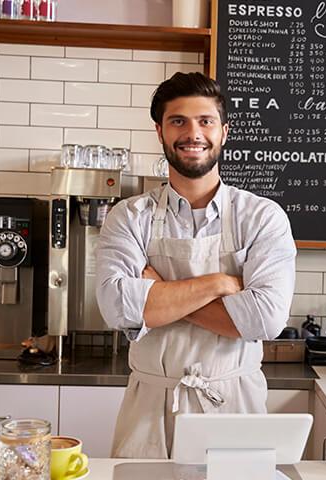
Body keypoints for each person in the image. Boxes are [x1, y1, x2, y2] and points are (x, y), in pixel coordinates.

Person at [95, 72, 296, 459]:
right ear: (160, 131)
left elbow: (265, 320)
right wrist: (221, 282)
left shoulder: (262, 217)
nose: (193, 133)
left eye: (205, 121)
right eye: (178, 121)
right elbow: (118, 307)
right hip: (150, 406)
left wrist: (157, 296)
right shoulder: (128, 216)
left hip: (232, 403)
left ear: (224, 131)